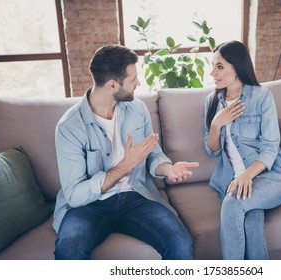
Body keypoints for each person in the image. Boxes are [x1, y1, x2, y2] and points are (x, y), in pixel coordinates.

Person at [53, 44, 199, 260]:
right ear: (113, 85)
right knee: (69, 248)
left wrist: (167, 168)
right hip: (89, 205)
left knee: (180, 241)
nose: (138, 83)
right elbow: (74, 195)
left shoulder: (136, 108)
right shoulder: (70, 127)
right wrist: (125, 165)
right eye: (133, 80)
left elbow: (152, 154)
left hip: (135, 196)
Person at [204, 40, 281, 260]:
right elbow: (212, 150)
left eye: (220, 66)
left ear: (238, 66)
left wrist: (246, 175)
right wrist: (216, 125)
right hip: (233, 179)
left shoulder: (261, 97)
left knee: (233, 204)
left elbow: (270, 147)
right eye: (213, 66)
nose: (212, 72)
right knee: (251, 222)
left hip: (271, 177)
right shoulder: (211, 101)